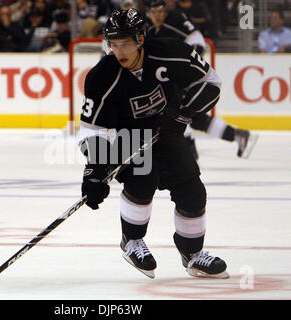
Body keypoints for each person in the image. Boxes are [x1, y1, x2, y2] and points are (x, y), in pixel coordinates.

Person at [78, 8, 229, 279]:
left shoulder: (171, 51)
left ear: (140, 38)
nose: (120, 51)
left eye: (126, 43)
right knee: (142, 179)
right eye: (114, 43)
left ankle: (193, 255)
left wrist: (182, 114)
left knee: (193, 192)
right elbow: (93, 129)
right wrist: (95, 171)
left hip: (166, 132)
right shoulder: (102, 77)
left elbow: (211, 83)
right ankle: (132, 240)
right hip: (128, 139)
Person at [147, 0, 258, 159]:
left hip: (181, 79)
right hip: (169, 80)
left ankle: (189, 149)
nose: (157, 15)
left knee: (177, 110)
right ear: (149, 13)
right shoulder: (150, 30)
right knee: (194, 117)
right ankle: (236, 135)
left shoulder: (176, 20)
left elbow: (198, 41)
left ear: (165, 12)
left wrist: (186, 65)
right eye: (154, 12)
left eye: (160, 11)